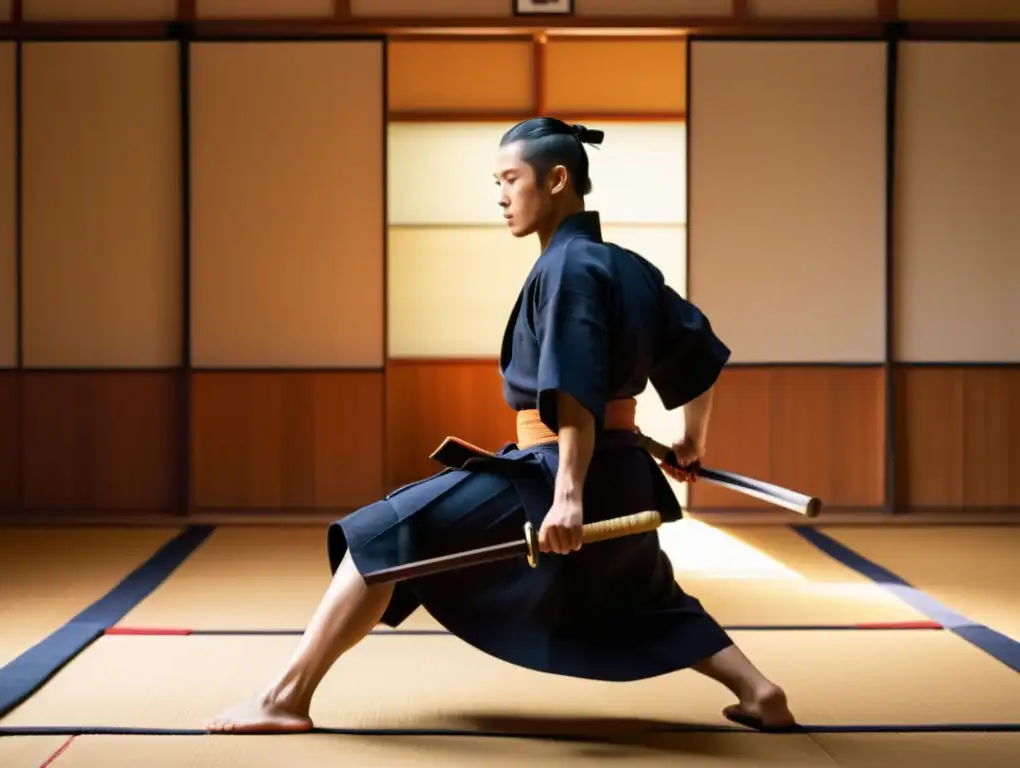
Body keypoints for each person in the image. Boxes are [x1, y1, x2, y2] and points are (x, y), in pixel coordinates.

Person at [205, 117, 796, 735]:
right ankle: (760, 691)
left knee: (381, 535)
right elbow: (698, 356)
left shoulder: (567, 268)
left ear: (558, 178)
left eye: (511, 179)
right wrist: (690, 441)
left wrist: (567, 496)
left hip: (561, 472)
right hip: (622, 471)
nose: (501, 195)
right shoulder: (630, 267)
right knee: (646, 598)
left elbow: (573, 390)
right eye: (498, 182)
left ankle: (284, 697)